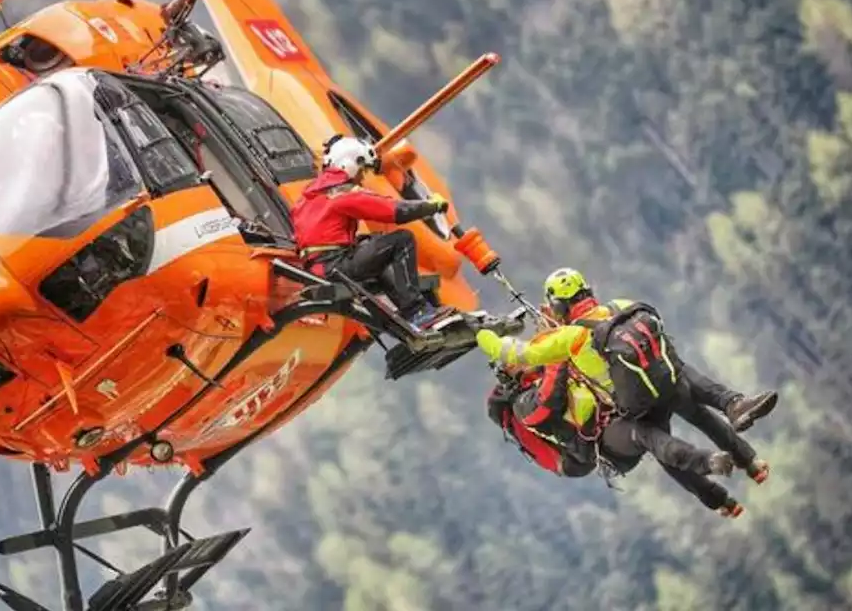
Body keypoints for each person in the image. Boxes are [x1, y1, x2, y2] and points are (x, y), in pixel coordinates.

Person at [476, 267, 778, 483]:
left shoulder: (568, 339)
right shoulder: (617, 307)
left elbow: (519, 354)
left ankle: (714, 462)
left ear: (556, 307)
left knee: (656, 438)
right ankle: (736, 414)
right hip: (663, 378)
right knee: (689, 392)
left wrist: (484, 336)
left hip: (633, 402)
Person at [487, 361, 747, 517]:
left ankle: (718, 500)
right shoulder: (523, 405)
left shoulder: (533, 382)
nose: (524, 360)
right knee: (647, 436)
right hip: (594, 449)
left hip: (603, 428)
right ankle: (708, 461)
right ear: (510, 375)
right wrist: (554, 356)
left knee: (659, 445)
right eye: (517, 360)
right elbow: (551, 398)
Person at [290, 134, 451, 329]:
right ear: (350, 164)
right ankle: (417, 312)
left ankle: (414, 315)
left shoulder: (308, 197)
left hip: (319, 268)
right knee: (402, 240)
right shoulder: (342, 192)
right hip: (335, 268)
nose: (362, 177)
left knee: (375, 245)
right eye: (362, 170)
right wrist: (430, 206)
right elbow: (393, 210)